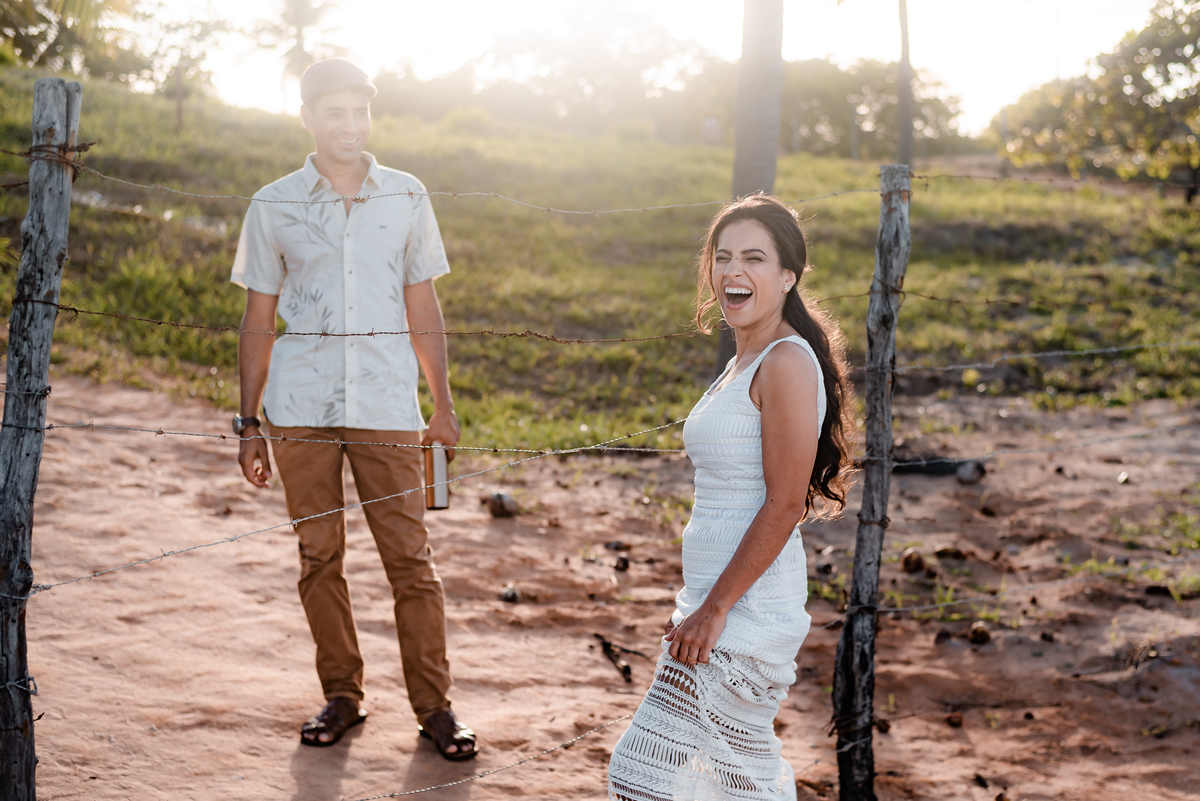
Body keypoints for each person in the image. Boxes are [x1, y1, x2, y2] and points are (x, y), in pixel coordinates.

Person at [230, 58, 476, 761]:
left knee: (411, 560)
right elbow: (257, 318)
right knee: (319, 556)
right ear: (307, 117)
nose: (350, 125)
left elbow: (423, 305)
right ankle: (342, 693)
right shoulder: (273, 203)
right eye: (334, 113)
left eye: (360, 112)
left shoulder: (405, 195)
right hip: (300, 407)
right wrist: (249, 421)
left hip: (386, 403)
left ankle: (435, 706)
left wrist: (443, 404)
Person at [607, 194, 855, 799]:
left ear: (787, 274)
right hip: (714, 599)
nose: (732, 271)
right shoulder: (744, 358)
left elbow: (783, 502)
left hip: (745, 607)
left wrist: (715, 608)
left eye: (753, 257)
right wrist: (702, 601)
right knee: (727, 781)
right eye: (722, 258)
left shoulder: (787, 362)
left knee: (646, 776)